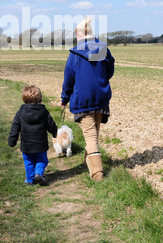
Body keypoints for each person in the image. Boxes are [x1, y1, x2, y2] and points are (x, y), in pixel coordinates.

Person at [61, 17, 115, 181]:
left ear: (79, 35)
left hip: (84, 100)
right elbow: (110, 71)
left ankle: (97, 174)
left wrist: (64, 97)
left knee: (91, 136)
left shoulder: (75, 54)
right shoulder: (104, 50)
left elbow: (68, 79)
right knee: (94, 134)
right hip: (101, 98)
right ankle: (88, 162)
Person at [8, 85, 57, 186]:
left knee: (29, 162)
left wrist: (12, 141)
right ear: (40, 99)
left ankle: (29, 180)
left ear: (24, 99)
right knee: (42, 160)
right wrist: (55, 132)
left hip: (26, 145)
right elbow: (50, 124)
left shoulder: (20, 112)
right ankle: (38, 173)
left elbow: (15, 127)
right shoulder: (44, 112)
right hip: (41, 145)